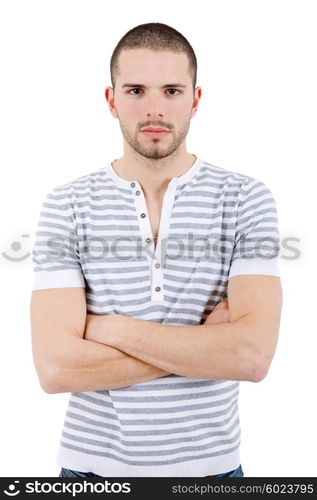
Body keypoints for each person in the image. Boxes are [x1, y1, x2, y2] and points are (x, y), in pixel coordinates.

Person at [30, 22, 283, 478]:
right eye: (135, 90)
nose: (154, 108)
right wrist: (204, 347)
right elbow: (55, 368)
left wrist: (107, 328)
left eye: (171, 90)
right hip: (91, 475)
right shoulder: (66, 204)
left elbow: (250, 357)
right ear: (111, 100)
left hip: (214, 474)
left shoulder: (245, 198)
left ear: (195, 99)